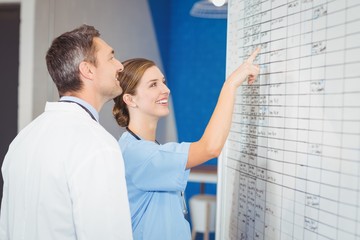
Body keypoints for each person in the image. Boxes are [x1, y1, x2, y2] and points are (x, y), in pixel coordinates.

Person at [0, 24, 133, 240]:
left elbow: (5, 229)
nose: (120, 66)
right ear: (87, 70)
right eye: (111, 57)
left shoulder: (22, 140)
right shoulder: (97, 144)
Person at [112, 48, 260, 239]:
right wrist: (230, 85)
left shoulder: (140, 146)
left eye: (163, 82)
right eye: (153, 85)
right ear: (130, 99)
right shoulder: (137, 154)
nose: (166, 89)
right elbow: (210, 147)